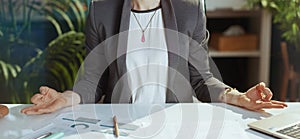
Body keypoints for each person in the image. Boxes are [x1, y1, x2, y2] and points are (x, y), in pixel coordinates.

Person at [21, 0, 287, 115]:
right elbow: (94, 79)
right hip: (118, 125)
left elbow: (201, 77)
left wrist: (236, 96)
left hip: (174, 124)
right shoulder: (101, 12)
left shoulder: (190, 10)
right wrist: (67, 97)